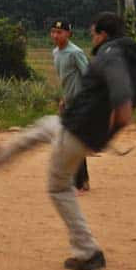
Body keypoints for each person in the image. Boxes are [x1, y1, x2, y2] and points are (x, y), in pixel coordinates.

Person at [0, 12, 136, 270]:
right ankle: (0, 157)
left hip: (77, 132)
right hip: (78, 129)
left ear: (103, 35)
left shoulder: (109, 54)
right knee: (45, 126)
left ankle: (87, 251)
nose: (92, 38)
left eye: (94, 33)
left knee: (59, 189)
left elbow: (116, 75)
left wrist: (122, 102)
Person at [50, 20, 91, 193]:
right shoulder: (56, 53)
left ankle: (79, 182)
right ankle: (83, 181)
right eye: (53, 32)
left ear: (68, 34)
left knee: (72, 142)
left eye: (59, 32)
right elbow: (64, 79)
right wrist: (63, 98)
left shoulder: (76, 53)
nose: (55, 35)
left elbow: (89, 77)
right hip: (68, 103)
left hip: (79, 103)